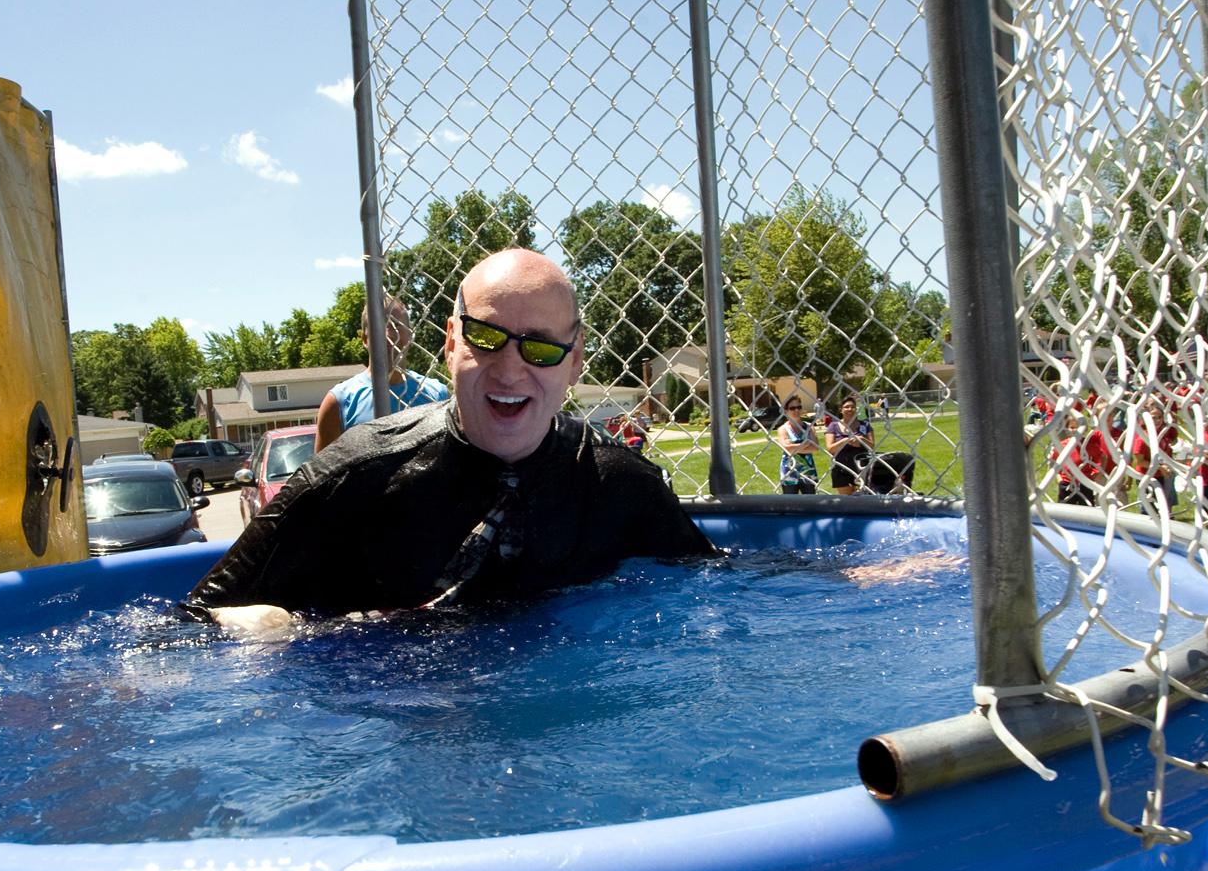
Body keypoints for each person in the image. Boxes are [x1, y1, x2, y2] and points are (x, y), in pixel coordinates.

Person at [186, 249, 716, 625]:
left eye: (541, 348)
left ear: (574, 362)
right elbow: (187, 625)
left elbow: (720, 592)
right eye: (485, 338)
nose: (509, 371)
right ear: (450, 342)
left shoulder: (624, 486)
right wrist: (269, 630)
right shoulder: (352, 477)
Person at [314, 295, 449, 452]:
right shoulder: (339, 402)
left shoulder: (437, 395)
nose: (389, 335)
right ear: (365, 339)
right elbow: (324, 474)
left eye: (397, 326)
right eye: (379, 327)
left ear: (410, 335)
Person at [825, 396, 873, 493]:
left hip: (862, 467)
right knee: (846, 501)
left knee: (864, 498)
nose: (850, 409)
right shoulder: (833, 426)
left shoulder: (865, 425)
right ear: (841, 410)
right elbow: (830, 449)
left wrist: (861, 439)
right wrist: (845, 441)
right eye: (846, 407)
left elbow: (872, 446)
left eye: (852, 407)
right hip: (841, 468)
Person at [774, 396, 820, 494]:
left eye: (799, 407)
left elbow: (815, 448)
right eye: (792, 408)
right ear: (785, 411)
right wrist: (806, 444)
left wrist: (794, 447)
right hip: (789, 473)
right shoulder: (782, 429)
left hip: (808, 472)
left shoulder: (809, 427)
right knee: (790, 505)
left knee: (810, 503)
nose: (796, 410)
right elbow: (786, 448)